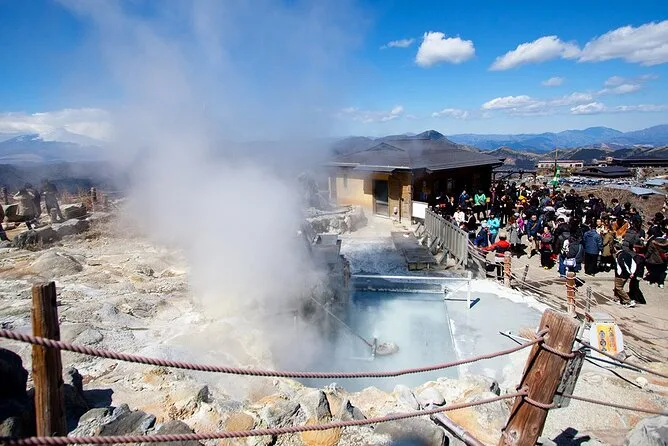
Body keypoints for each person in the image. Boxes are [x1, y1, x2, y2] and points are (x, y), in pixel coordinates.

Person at [613, 243, 637, 308]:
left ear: (615, 248)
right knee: (618, 287)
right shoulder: (627, 254)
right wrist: (632, 272)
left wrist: (629, 273)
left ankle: (628, 300)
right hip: (626, 274)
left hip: (622, 275)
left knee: (619, 288)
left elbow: (623, 265)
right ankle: (618, 299)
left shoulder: (619, 256)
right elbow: (633, 263)